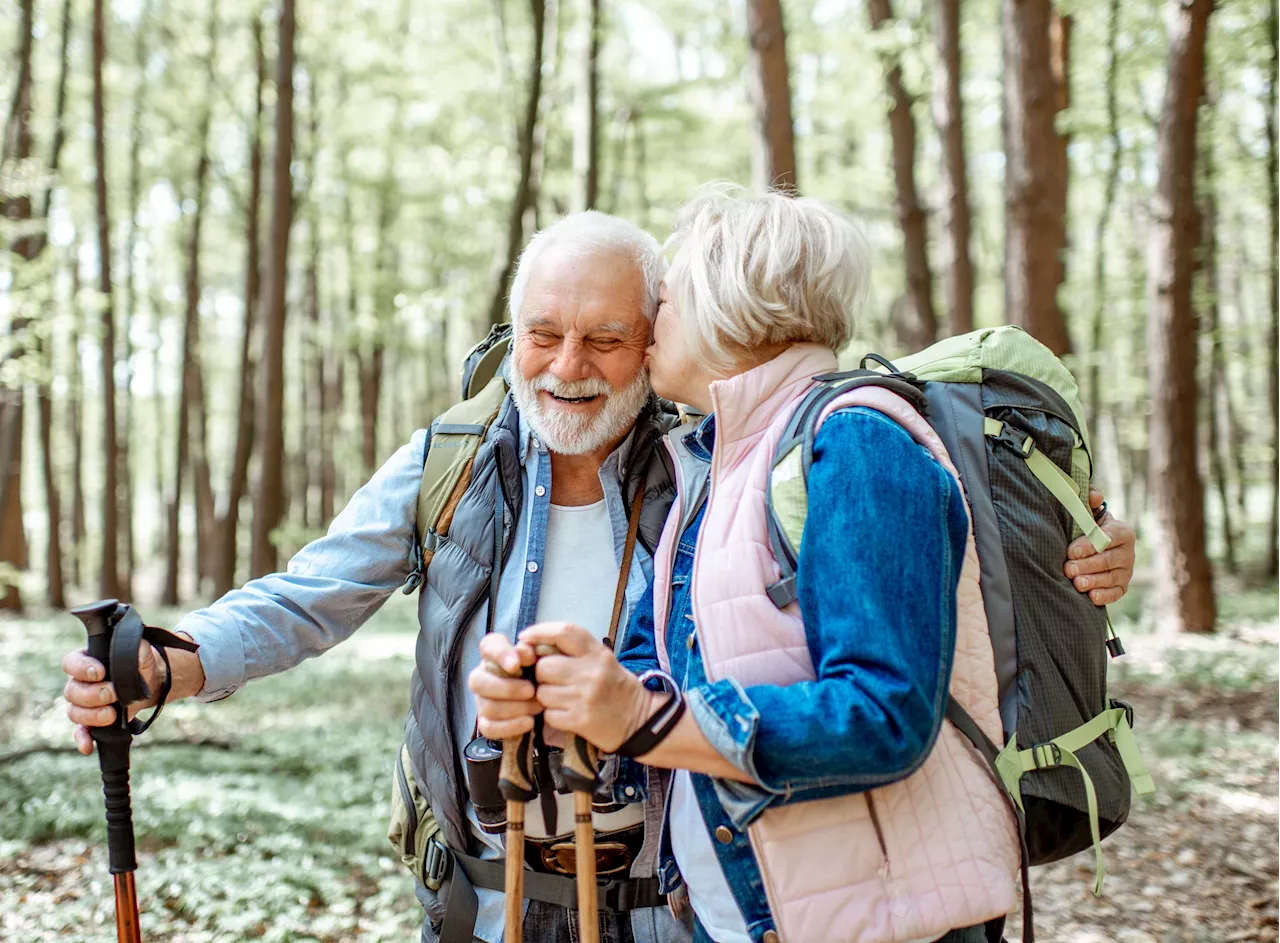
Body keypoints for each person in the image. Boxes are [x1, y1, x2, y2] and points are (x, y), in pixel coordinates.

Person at [62, 206, 1134, 943]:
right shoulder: (455, 465)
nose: (566, 367)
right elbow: (307, 594)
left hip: (682, 897)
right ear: (510, 335)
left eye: (605, 339)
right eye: (542, 335)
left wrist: (1073, 551)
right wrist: (176, 662)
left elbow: (879, 584)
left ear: (660, 336)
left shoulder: (718, 461)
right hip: (489, 895)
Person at [469, 186, 1133, 943]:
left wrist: (639, 714)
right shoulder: (715, 461)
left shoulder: (855, 443)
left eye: (670, 300)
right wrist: (556, 695)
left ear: (732, 307)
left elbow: (883, 714)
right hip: (752, 918)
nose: (653, 325)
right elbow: (654, 671)